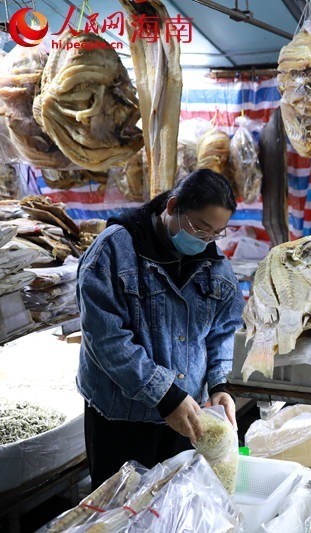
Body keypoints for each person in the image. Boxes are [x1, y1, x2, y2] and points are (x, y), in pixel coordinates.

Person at [76, 169, 245, 488]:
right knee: (121, 512)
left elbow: (221, 329)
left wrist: (220, 383)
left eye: (215, 233)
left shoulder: (213, 263)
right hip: (121, 419)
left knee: (173, 508)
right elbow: (108, 340)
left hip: (184, 415)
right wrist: (165, 396)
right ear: (172, 207)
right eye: (199, 227)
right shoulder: (113, 251)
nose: (204, 240)